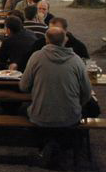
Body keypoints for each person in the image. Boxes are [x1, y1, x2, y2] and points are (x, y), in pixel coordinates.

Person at [19, 27, 92, 167]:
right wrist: (77, 104)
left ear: (46, 40)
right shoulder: (76, 61)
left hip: (40, 116)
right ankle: (59, 144)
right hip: (70, 117)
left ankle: (45, 144)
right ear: (65, 40)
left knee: (23, 110)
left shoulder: (36, 57)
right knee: (75, 116)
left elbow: (23, 86)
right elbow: (87, 93)